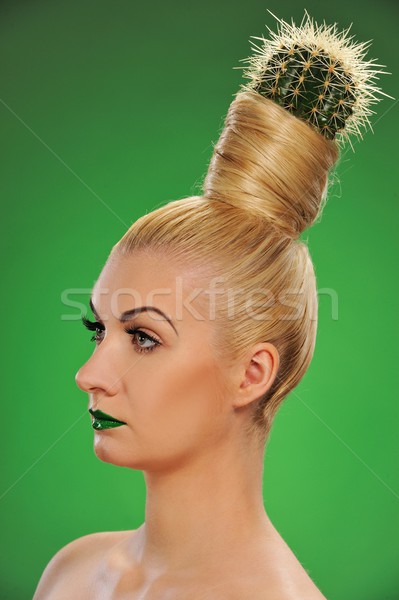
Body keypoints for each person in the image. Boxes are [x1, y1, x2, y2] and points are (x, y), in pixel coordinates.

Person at [33, 12, 386, 600]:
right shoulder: (72, 571)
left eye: (144, 337)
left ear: (252, 374)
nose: (88, 375)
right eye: (99, 330)